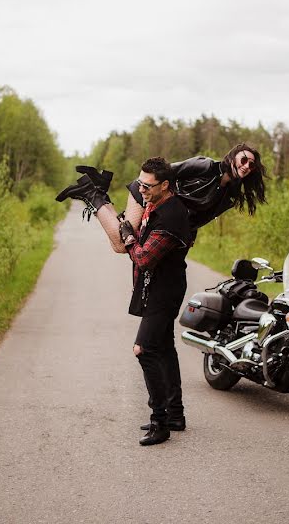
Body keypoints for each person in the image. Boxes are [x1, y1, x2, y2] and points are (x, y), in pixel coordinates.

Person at [55, 143, 267, 253]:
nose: (246, 166)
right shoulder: (204, 165)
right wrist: (148, 196)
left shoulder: (229, 195)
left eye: (251, 165)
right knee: (121, 245)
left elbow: (201, 217)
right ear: (234, 155)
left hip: (164, 214)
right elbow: (163, 172)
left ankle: (99, 192)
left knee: (119, 244)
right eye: (244, 159)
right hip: (146, 194)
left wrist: (187, 236)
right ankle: (92, 193)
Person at [121, 157, 191, 445]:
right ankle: (175, 414)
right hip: (160, 287)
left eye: (147, 186)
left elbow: (144, 257)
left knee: (144, 350)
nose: (141, 190)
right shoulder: (156, 201)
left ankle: (159, 422)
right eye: (140, 183)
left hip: (165, 290)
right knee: (164, 347)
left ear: (165, 185)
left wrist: (128, 238)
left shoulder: (171, 216)